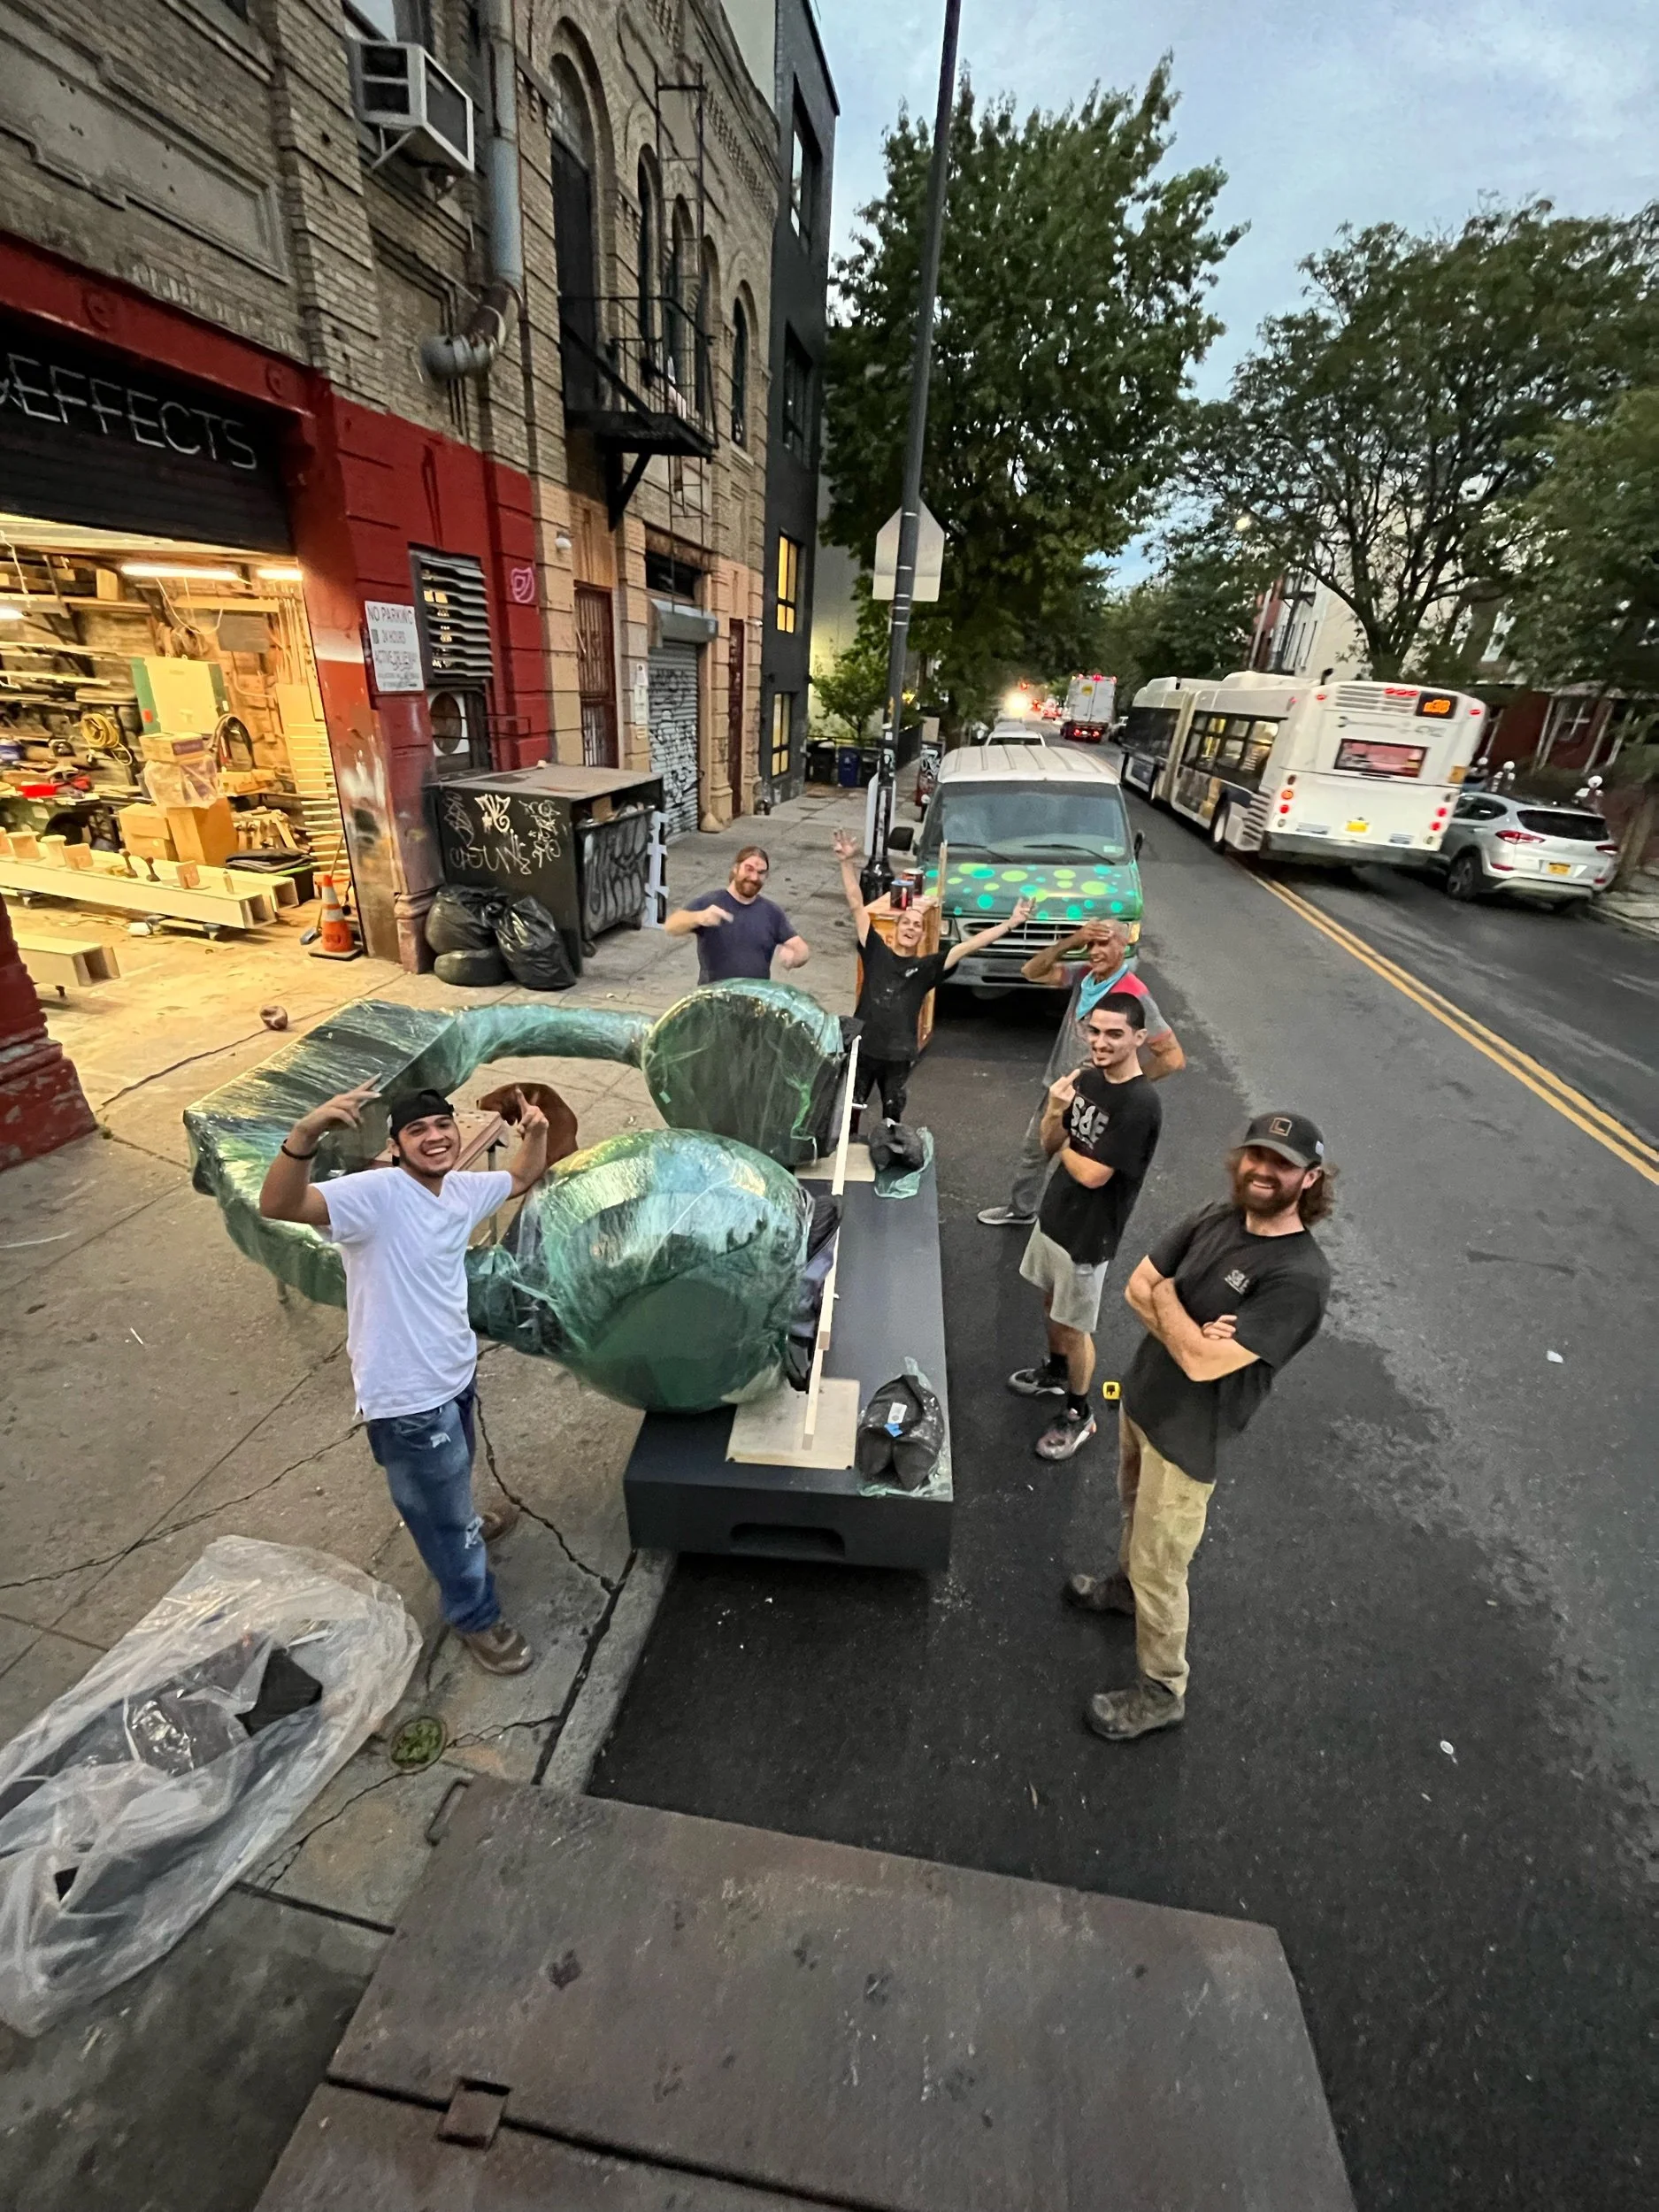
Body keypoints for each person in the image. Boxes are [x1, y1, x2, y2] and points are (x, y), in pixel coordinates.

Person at [259, 1082, 552, 1676]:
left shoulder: (458, 1190)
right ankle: (473, 1616)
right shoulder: (374, 1196)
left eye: (442, 1125)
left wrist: (539, 1135)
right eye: (418, 1131)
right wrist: (304, 1136)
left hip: (453, 1375)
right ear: (395, 1147)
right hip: (408, 1398)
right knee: (441, 1519)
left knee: (453, 1488)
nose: (436, 1136)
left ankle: (462, 1527)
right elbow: (280, 1206)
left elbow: (519, 1178)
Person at [1069, 1112, 1334, 1742]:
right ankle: (1124, 1589)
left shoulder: (1298, 1277)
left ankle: (1162, 1689)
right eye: (1255, 1155)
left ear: (1310, 1178)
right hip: (1144, 1398)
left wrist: (1172, 1302)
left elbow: (1196, 1355)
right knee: (1132, 1511)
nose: (1262, 1170)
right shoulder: (1216, 1216)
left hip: (1189, 1437)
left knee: (1163, 1559)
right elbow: (1137, 1286)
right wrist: (1186, 1321)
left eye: (1281, 1164)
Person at [1008, 993, 1163, 1461]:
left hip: (1089, 1235)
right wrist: (1056, 1110)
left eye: (1115, 1034)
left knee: (1075, 1327)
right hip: (1057, 1215)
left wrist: (1062, 1150)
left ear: (1139, 1038)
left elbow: (1095, 1175)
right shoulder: (1088, 1081)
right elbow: (1048, 1139)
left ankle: (1079, 1412)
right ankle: (1056, 1372)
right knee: (1052, 1302)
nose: (1101, 1042)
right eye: (1094, 1031)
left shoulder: (1140, 1104)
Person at [978, 918, 1185, 1226]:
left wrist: (1122, 1085)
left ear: (1123, 946)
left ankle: (1072, 1234)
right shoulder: (1084, 977)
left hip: (1095, 1101)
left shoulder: (1133, 995)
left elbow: (1172, 1057)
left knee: (1083, 1169)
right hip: (1061, 1089)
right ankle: (1021, 1211)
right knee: (1035, 1149)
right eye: (1091, 944)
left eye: (1104, 943)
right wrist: (1071, 940)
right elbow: (1031, 971)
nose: (1094, 951)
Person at [833, 829, 1033, 1125]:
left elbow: (971, 944)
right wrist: (846, 863)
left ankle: (891, 1161)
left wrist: (1012, 923)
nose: (912, 927)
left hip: (898, 1055)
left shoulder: (926, 968)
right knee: (851, 1114)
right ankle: (846, 1162)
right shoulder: (875, 950)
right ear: (896, 929)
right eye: (907, 923)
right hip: (863, 1048)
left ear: (922, 935)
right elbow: (855, 904)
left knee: (892, 1117)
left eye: (917, 925)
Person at [664, 845, 810, 984]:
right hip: (714, 1001)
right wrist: (698, 917)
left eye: (760, 873)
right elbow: (671, 926)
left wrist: (795, 958)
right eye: (749, 869)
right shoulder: (712, 902)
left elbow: (802, 949)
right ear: (735, 869)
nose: (754, 877)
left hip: (753, 1002)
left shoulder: (771, 912)